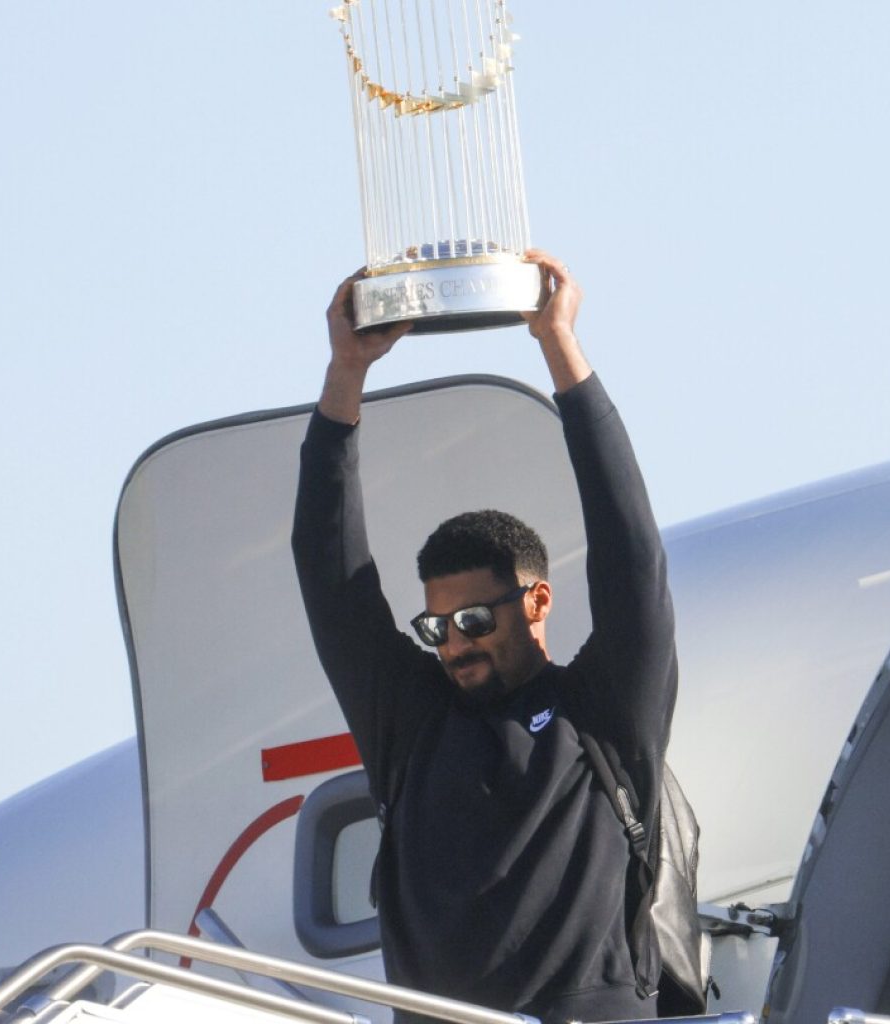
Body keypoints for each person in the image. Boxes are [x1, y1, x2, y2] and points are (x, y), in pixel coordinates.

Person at [292, 250, 677, 1024]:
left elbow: (631, 555)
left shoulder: (604, 710)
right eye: (437, 627)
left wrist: (557, 344)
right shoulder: (412, 723)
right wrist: (346, 373)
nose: (454, 645)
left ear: (537, 601)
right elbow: (330, 574)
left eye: (474, 621)